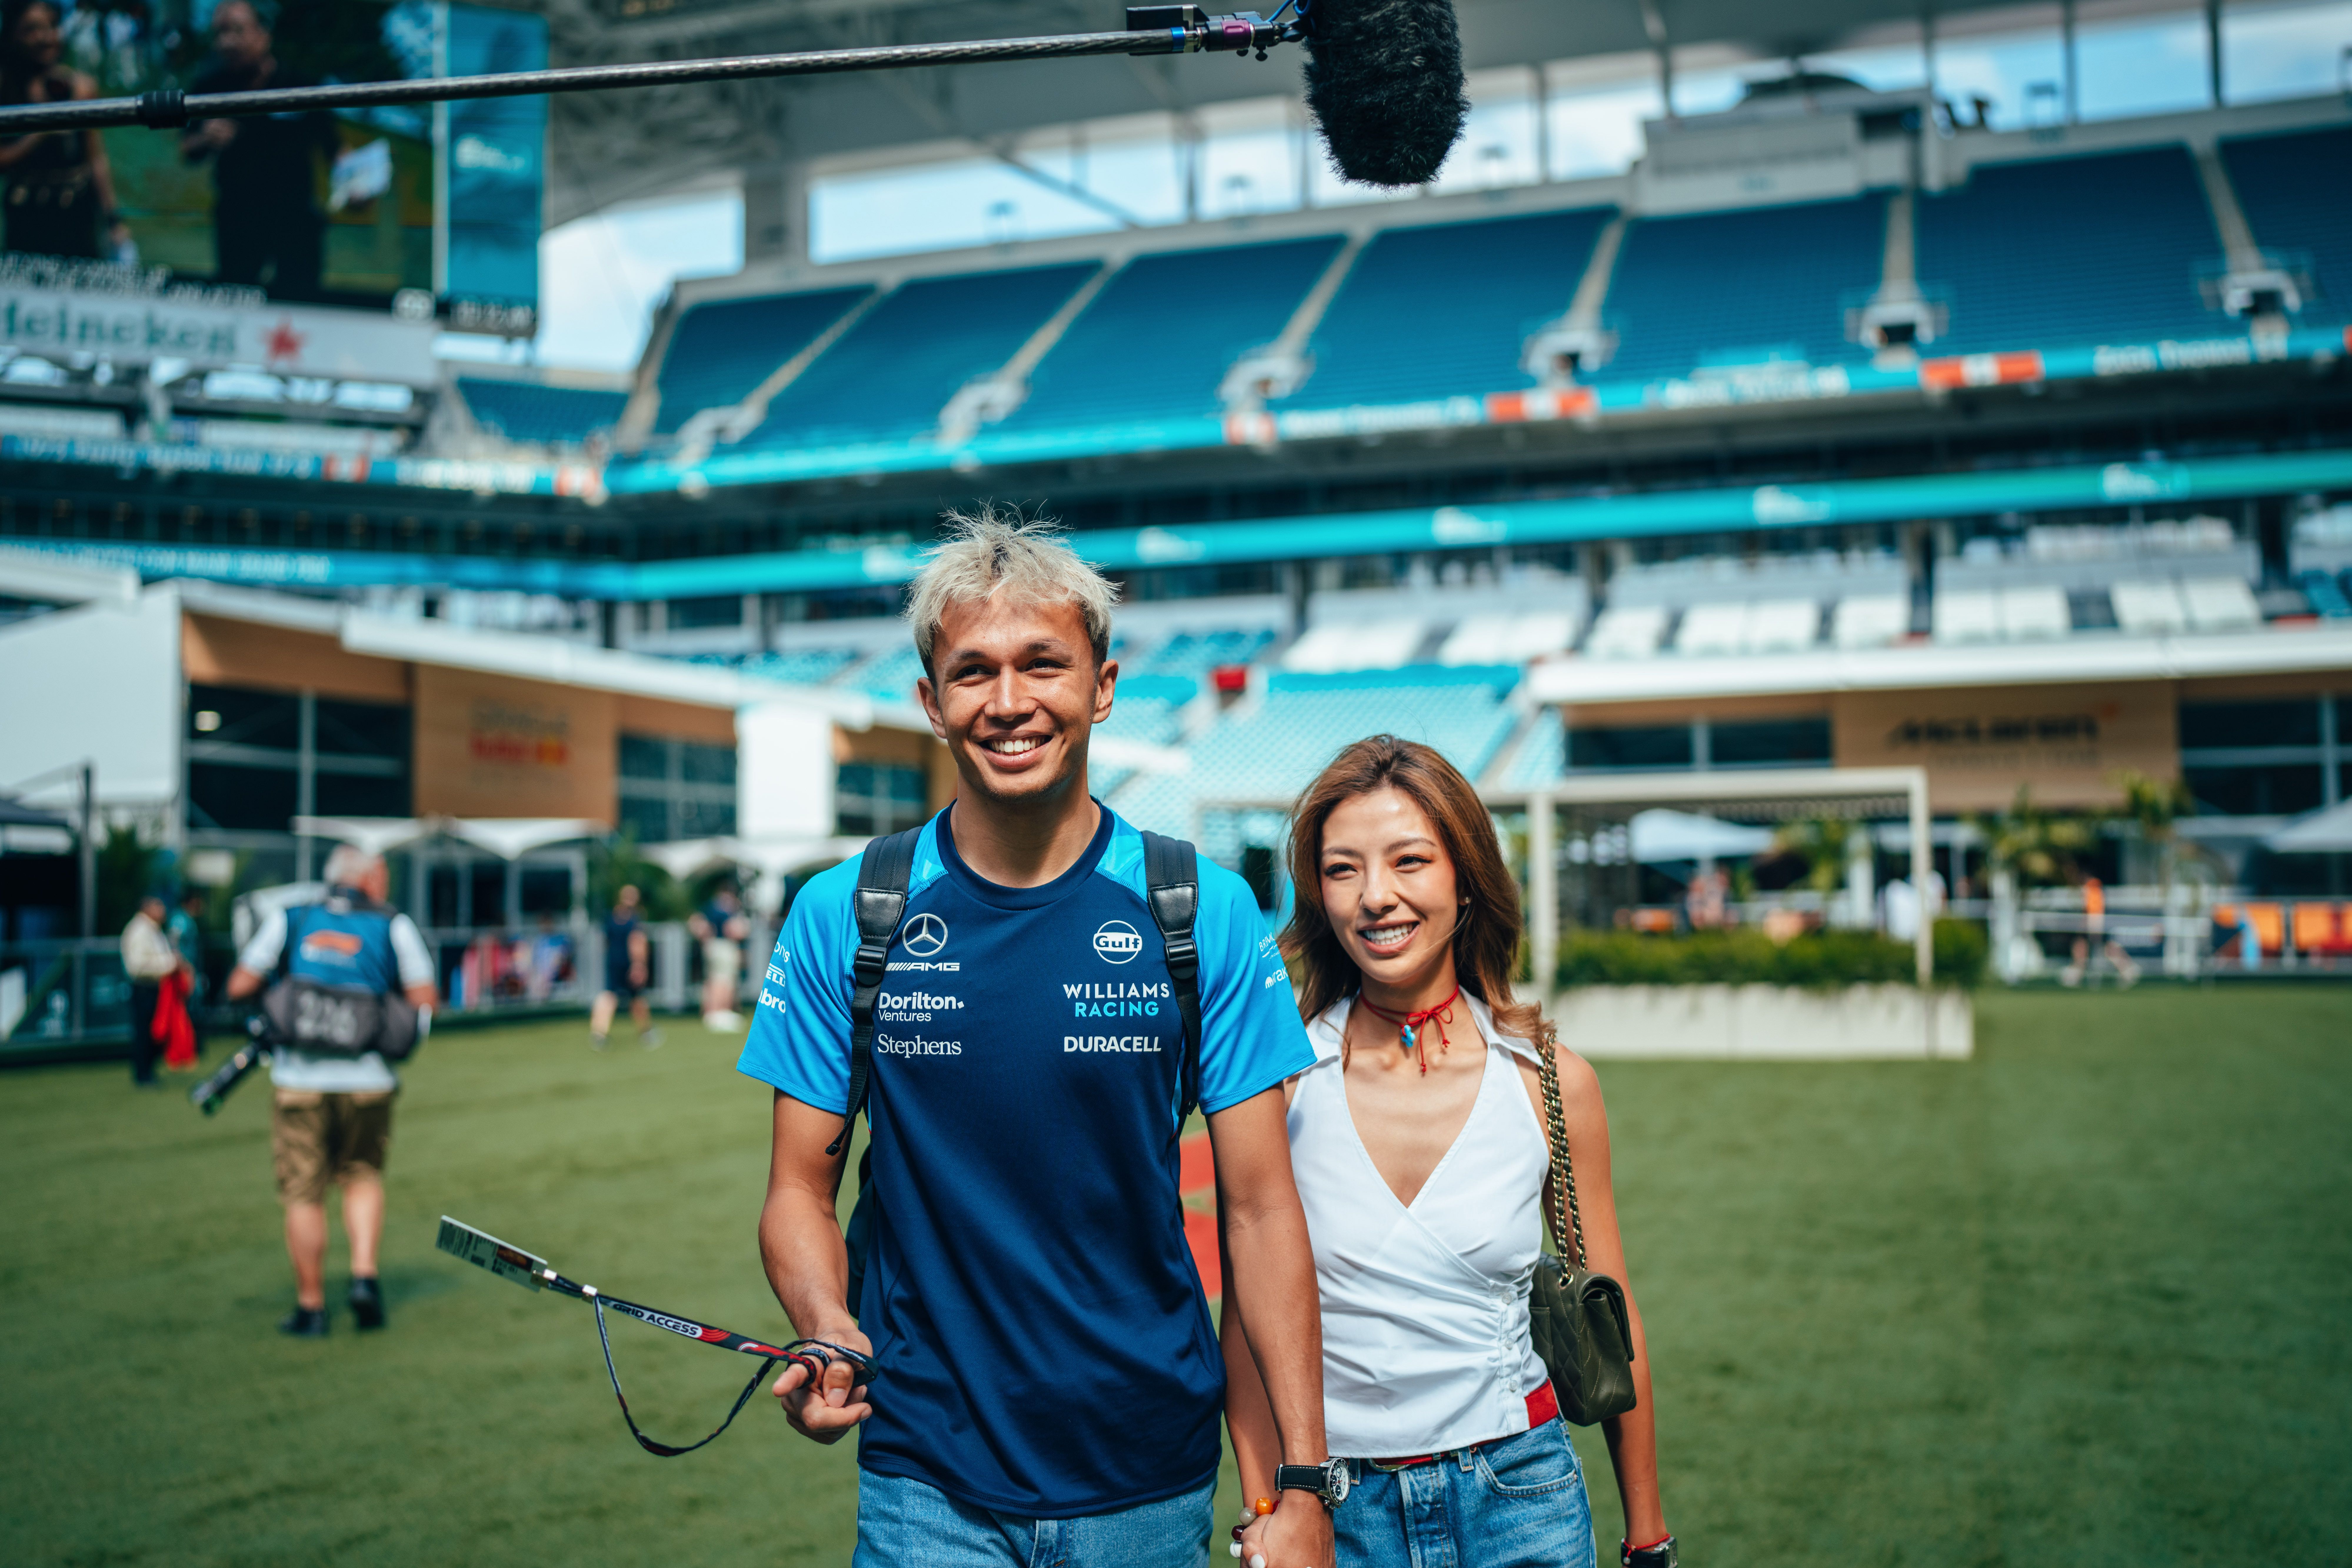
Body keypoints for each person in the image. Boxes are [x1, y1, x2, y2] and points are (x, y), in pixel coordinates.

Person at [741, 509, 1337, 1568]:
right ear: (929, 701)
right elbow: (796, 1187)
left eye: (1041, 664)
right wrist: (826, 1316)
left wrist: (1295, 1477)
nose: (1008, 701)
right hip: (925, 1470)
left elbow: (1258, 1207)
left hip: (1144, 1466)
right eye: (972, 672)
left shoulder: (1200, 907)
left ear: (1101, 685)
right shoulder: (848, 910)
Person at [1226, 736, 1675, 1568]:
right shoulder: (1278, 1083)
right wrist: (1270, 1510)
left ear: (1466, 878)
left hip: (1522, 1499)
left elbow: (1613, 1321)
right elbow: (1245, 1326)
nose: (1376, 897)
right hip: (1339, 1513)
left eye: (1409, 861)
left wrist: (1647, 1538)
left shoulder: (1549, 1081)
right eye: (1341, 870)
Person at [225, 845, 436, 1337]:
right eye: (381, 875)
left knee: (304, 1194)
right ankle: (364, 1277)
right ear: (366, 880)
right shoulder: (392, 925)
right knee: (362, 1176)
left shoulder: (293, 919)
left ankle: (312, 1307)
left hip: (300, 1081)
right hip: (370, 1082)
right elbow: (424, 1001)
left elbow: (240, 983)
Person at [179, 0, 334, 299]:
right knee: (236, 301)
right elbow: (187, 151)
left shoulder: (299, 85)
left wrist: (359, 182)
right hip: (238, 222)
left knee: (300, 305)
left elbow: (335, 148)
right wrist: (205, 139)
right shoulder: (209, 87)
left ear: (264, 34)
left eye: (237, 31)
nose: (227, 43)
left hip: (296, 221)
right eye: (220, 34)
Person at [0, 0, 130, 260]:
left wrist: (114, 220)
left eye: (51, 27)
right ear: (13, 35)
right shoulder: (6, 88)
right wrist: (43, 130)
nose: (45, 38)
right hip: (26, 209)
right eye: (32, 30)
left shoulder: (81, 88)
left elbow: (96, 160)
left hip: (77, 210)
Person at [119, 892, 182, 1087]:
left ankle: (148, 1071)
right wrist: (169, 964)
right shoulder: (139, 930)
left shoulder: (153, 929)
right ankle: (143, 1074)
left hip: (156, 988)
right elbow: (137, 966)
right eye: (159, 906)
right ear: (148, 908)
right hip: (144, 988)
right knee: (144, 1032)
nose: (163, 911)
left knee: (155, 1032)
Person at [590, 884, 661, 1049]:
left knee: (610, 996)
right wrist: (639, 965)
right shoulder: (634, 919)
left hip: (614, 962)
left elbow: (606, 942)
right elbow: (637, 942)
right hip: (629, 963)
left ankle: (599, 1033)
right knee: (636, 999)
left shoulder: (611, 918)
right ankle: (646, 1033)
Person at [690, 883, 750, 1030]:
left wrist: (706, 939)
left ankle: (711, 1012)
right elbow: (734, 931)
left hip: (712, 946)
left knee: (713, 980)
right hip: (724, 947)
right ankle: (720, 1013)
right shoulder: (726, 911)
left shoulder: (709, 908)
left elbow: (697, 923)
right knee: (724, 981)